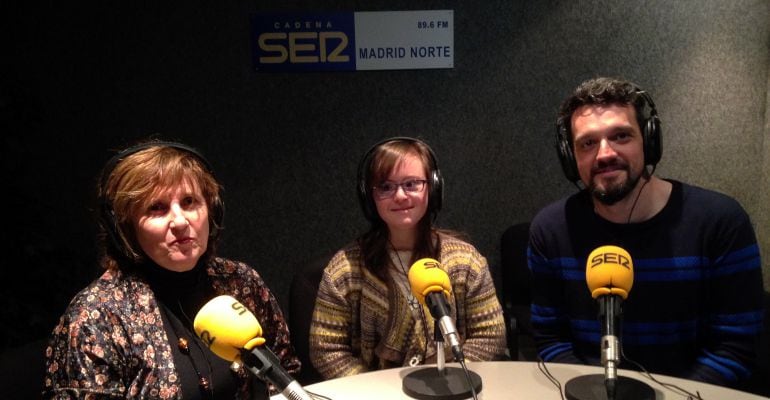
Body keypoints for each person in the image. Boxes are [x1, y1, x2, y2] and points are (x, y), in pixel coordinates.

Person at [529, 77, 764, 387]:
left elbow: (737, 348)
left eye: (621, 136)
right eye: (588, 143)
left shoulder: (721, 222)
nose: (604, 154)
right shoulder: (550, 230)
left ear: (649, 141)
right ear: (570, 157)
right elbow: (550, 340)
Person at [42, 140, 300, 399]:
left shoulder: (239, 281)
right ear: (126, 228)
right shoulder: (94, 319)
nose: (179, 221)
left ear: (212, 211)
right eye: (157, 207)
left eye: (189, 202)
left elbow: (284, 374)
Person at [308, 137, 507, 379]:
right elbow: (326, 349)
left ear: (433, 188)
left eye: (412, 184)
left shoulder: (467, 262)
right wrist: (372, 391)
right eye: (386, 187)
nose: (400, 196)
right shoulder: (344, 270)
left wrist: (448, 380)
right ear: (369, 198)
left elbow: (491, 336)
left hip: (451, 389)